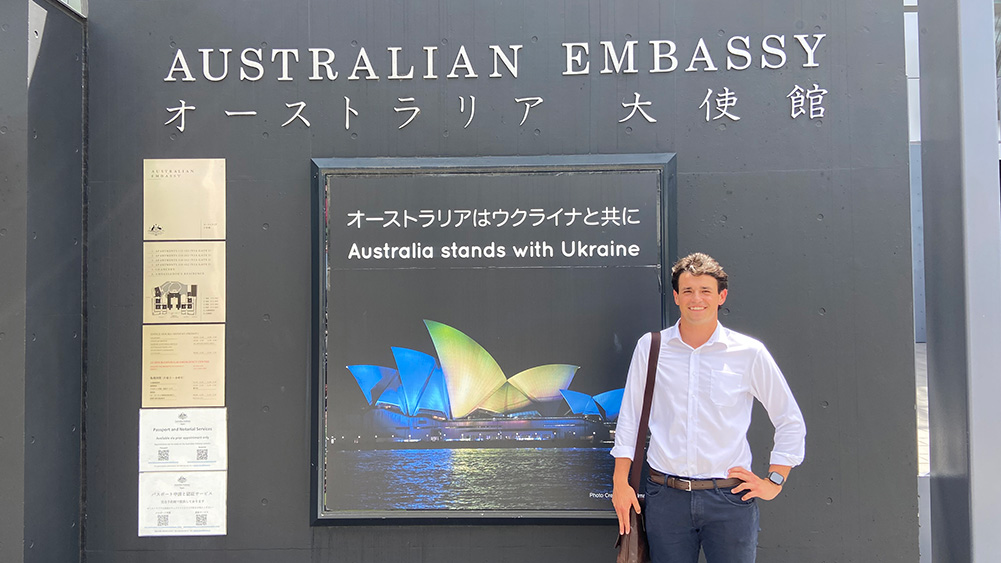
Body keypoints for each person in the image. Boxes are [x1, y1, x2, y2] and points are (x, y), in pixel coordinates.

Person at [611, 252, 806, 563]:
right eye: (687, 291)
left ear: (721, 296)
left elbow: (789, 419)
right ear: (676, 296)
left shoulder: (749, 353)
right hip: (666, 497)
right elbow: (630, 420)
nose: (696, 299)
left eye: (705, 291)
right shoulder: (650, 347)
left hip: (729, 499)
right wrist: (620, 483)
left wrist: (775, 481)